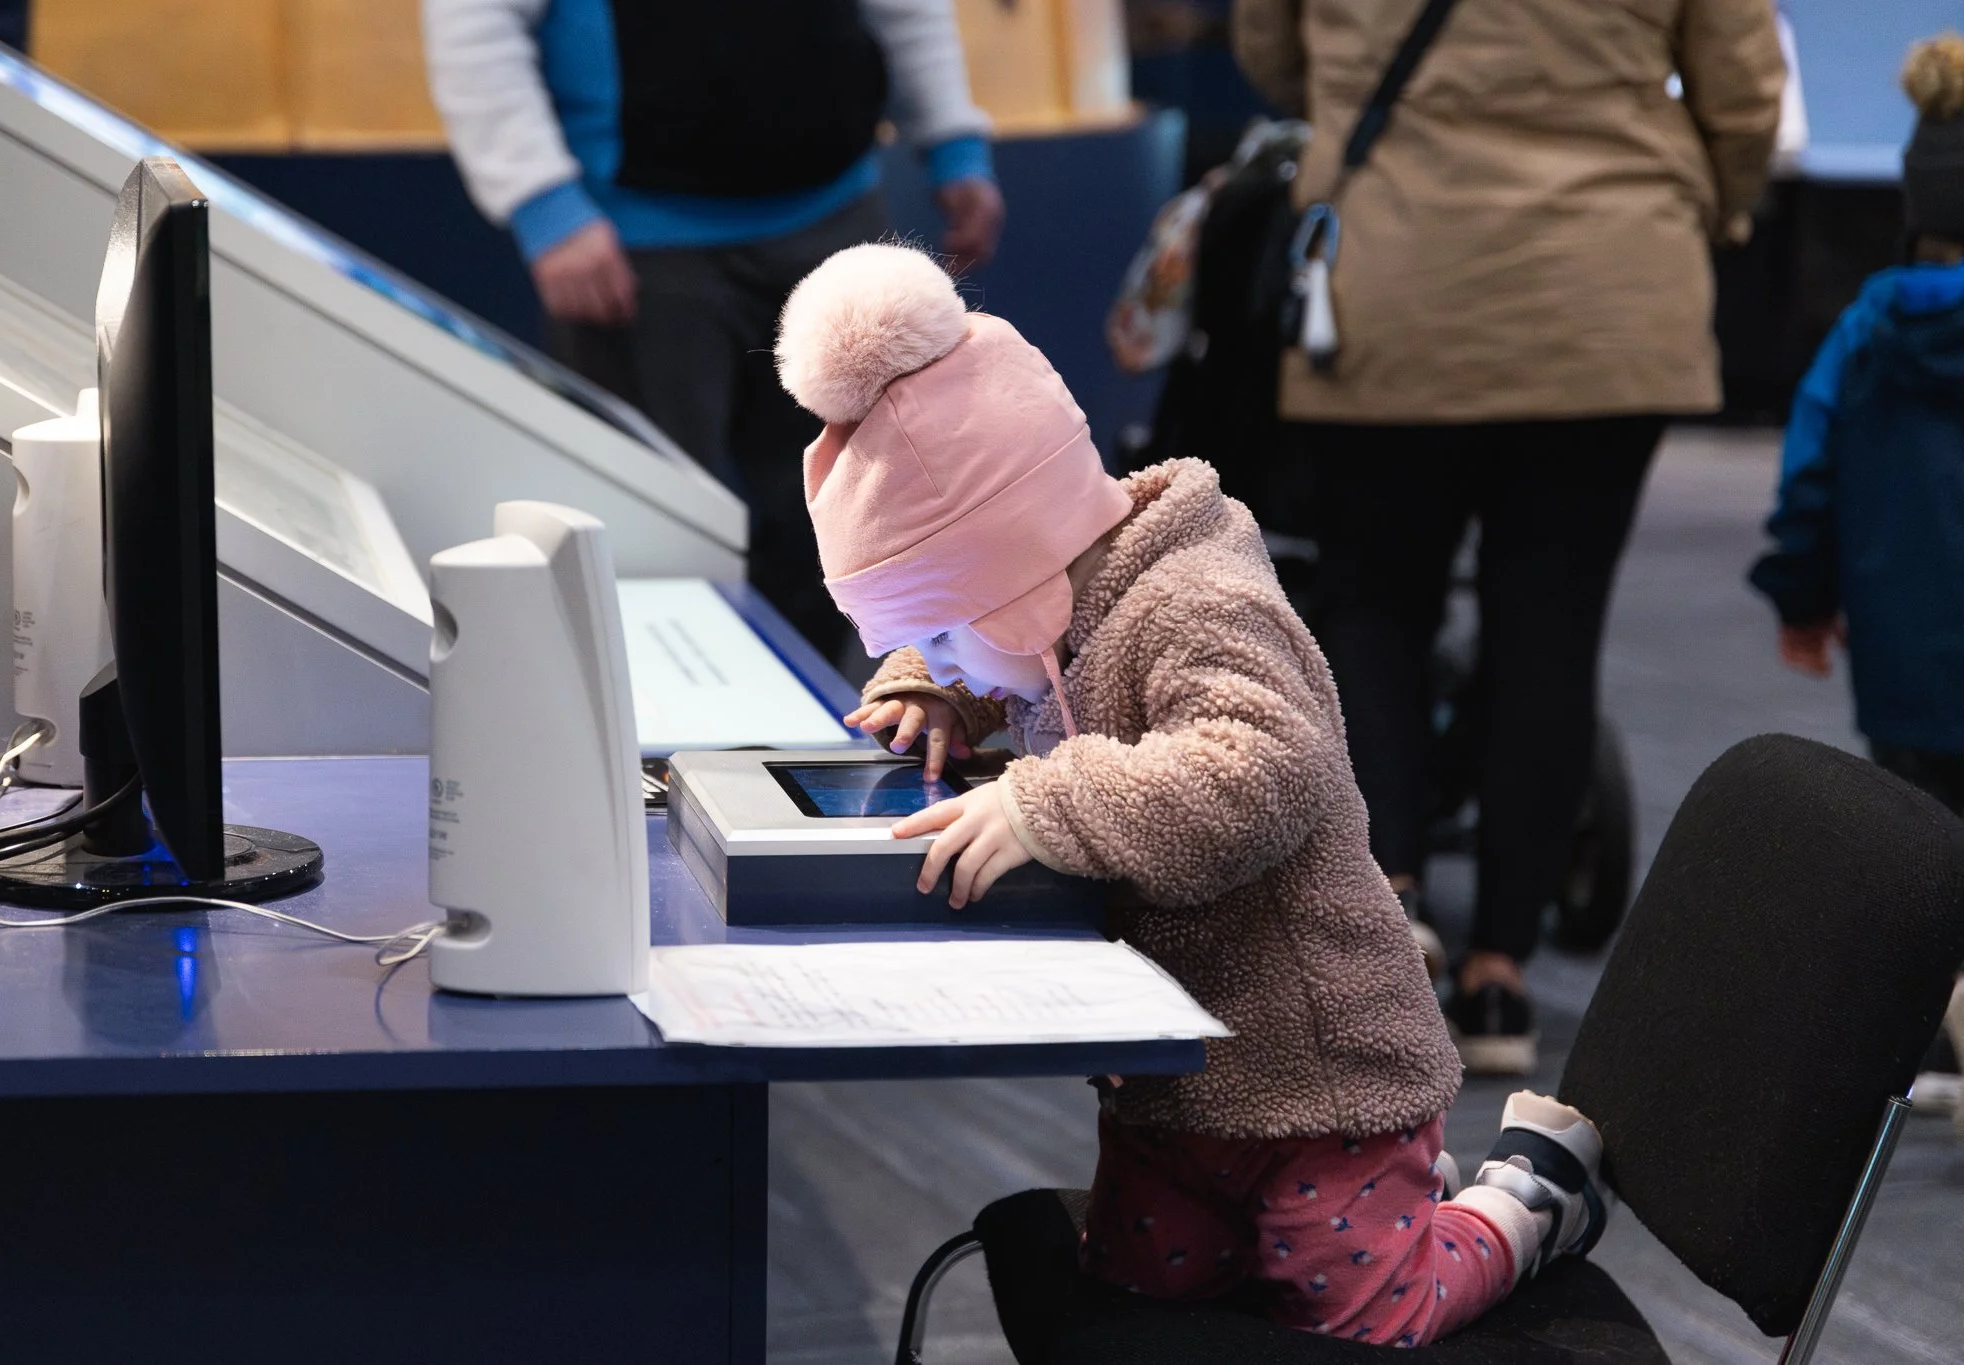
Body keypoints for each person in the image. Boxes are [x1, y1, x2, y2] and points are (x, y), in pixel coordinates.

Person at [773, 242, 1607, 1344]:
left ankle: (1523, 1198)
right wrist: (934, 689)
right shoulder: (1048, 598)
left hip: (1319, 1074)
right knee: (1132, 1291)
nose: (939, 659)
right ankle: (1403, 1207)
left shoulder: (1193, 600)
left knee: (1362, 1309)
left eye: (934, 632)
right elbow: (1010, 661)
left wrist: (1044, 804)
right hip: (1178, 1080)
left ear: (1013, 572)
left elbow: (1263, 766)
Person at [1232, 0, 1783, 1073]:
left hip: (1394, 286)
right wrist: (1699, 207)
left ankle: (1385, 906)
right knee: (1551, 626)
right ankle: (1500, 981)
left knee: (1374, 602)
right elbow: (1744, 92)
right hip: (1603, 290)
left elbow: (1268, 50)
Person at [422, 0, 1004, 657]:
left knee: (852, 523)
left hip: (834, 215)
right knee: (645, 537)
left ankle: (811, 738)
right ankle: (656, 750)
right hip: (636, 247)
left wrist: (955, 144)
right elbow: (476, 22)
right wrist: (544, 206)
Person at [1751, 32, 1964, 1132]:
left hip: (1899, 639)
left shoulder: (1868, 329)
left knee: (1923, 832)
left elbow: (1807, 473)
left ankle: (1935, 1028)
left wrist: (1800, 594)